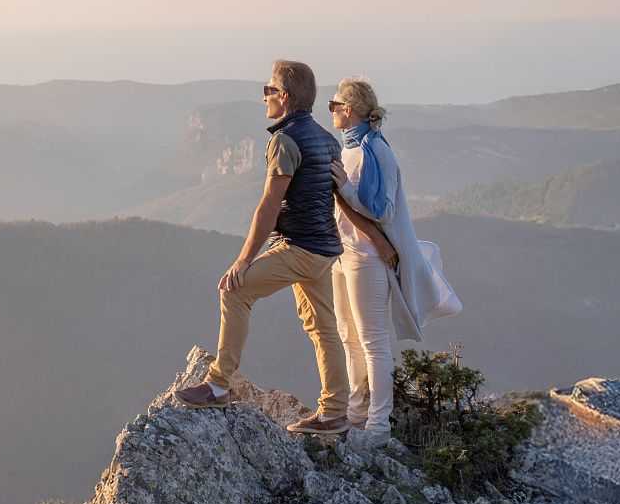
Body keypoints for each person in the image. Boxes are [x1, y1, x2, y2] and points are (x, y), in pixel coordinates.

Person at [176, 60, 351, 434]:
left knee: (234, 292)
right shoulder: (326, 139)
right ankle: (335, 411)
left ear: (284, 98)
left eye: (268, 90)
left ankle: (219, 385)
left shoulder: (284, 141)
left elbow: (270, 205)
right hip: (325, 249)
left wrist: (243, 260)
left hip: (300, 248)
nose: (264, 97)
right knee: (323, 328)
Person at [329, 77, 463, 449]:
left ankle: (378, 426)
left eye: (335, 105)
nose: (333, 112)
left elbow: (381, 209)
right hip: (342, 254)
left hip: (367, 258)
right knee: (348, 336)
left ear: (350, 109)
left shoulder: (376, 152)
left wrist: (344, 189)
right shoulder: (351, 149)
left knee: (372, 341)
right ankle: (356, 412)